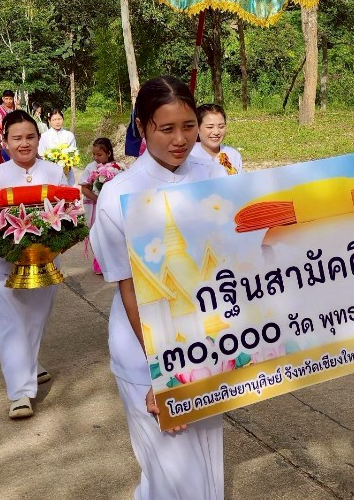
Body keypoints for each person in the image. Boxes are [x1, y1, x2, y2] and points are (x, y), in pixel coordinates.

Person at [90, 76, 228, 500]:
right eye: (166, 129)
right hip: (147, 352)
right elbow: (130, 288)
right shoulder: (119, 195)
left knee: (204, 466)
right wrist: (164, 369)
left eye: (189, 126)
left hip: (206, 341)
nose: (181, 139)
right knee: (174, 473)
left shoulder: (211, 174)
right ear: (142, 127)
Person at [0, 109, 68, 419]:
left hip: (44, 261)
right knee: (12, 324)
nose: (24, 144)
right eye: (17, 138)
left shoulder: (54, 172)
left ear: (39, 139)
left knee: (36, 318)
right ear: (5, 143)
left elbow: (69, 211)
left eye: (30, 137)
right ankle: (20, 394)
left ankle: (30, 364)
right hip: (3, 265)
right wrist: (3, 240)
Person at [80, 137, 123, 275]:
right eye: (94, 154)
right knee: (97, 233)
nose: (96, 157)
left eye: (99, 154)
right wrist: (98, 199)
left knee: (111, 232)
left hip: (111, 208)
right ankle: (99, 262)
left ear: (109, 153)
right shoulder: (90, 167)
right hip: (94, 206)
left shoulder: (117, 168)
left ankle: (113, 262)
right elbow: (85, 188)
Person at [189, 103, 242, 175]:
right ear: (197, 128)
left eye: (221, 127)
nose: (216, 132)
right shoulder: (189, 156)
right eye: (210, 127)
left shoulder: (233, 155)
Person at [38, 109, 78, 183]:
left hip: (66, 171)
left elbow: (74, 153)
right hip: (50, 172)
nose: (57, 122)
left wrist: (67, 162)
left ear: (63, 119)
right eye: (54, 120)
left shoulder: (69, 135)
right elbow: (41, 155)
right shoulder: (44, 137)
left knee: (68, 191)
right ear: (49, 121)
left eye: (59, 119)